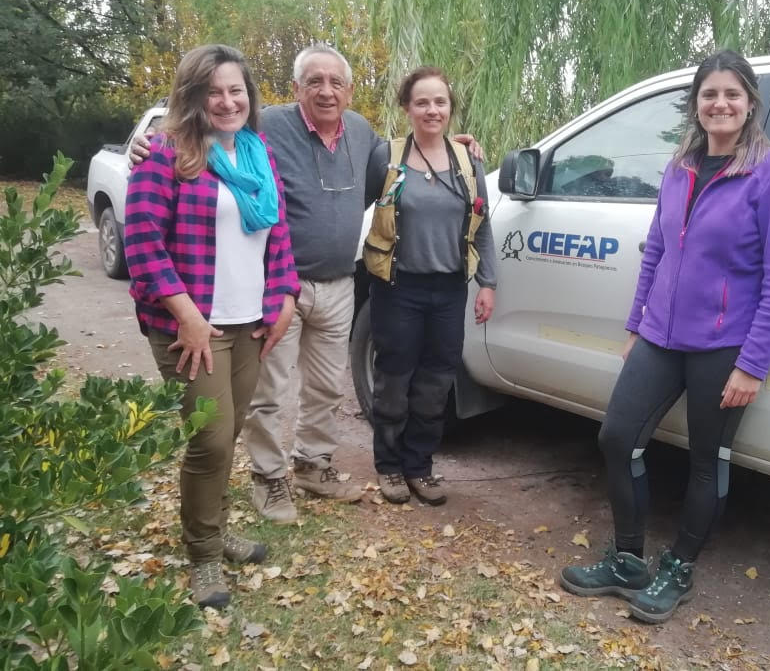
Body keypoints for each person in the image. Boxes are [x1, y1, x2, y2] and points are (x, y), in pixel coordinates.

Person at [131, 44, 484, 523]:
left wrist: (454, 143)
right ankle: (269, 478)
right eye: (314, 81)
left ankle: (313, 466)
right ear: (296, 88)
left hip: (339, 283)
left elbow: (413, 157)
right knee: (269, 392)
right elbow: (204, 129)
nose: (326, 90)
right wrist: (149, 142)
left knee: (325, 388)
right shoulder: (265, 126)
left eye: (336, 82)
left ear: (350, 90)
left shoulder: (364, 137)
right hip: (278, 287)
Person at [558, 50, 770, 624]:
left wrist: (754, 364)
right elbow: (658, 252)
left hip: (724, 347)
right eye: (709, 94)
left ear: (750, 104)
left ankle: (679, 567)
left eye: (732, 94)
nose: (720, 104)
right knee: (618, 438)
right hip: (660, 337)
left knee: (704, 460)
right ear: (696, 105)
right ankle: (627, 561)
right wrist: (636, 325)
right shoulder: (681, 168)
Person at [124, 44, 300, 608]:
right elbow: (143, 245)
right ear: (194, 96)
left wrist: (285, 298)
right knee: (209, 438)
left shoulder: (257, 154)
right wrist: (188, 315)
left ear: (249, 95)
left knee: (228, 436)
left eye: (236, 90)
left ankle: (217, 530)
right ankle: (202, 554)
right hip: (190, 327)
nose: (227, 102)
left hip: (249, 321)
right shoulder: (168, 155)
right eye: (214, 91)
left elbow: (278, 235)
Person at [363, 67, 496, 505]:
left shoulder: (468, 161)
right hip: (397, 287)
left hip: (449, 289)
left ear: (450, 108)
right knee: (394, 379)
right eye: (422, 102)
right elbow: (348, 202)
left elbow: (482, 228)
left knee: (436, 382)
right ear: (407, 108)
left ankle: (419, 466)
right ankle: (389, 466)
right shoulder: (386, 157)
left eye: (440, 101)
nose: (432, 110)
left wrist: (487, 282)